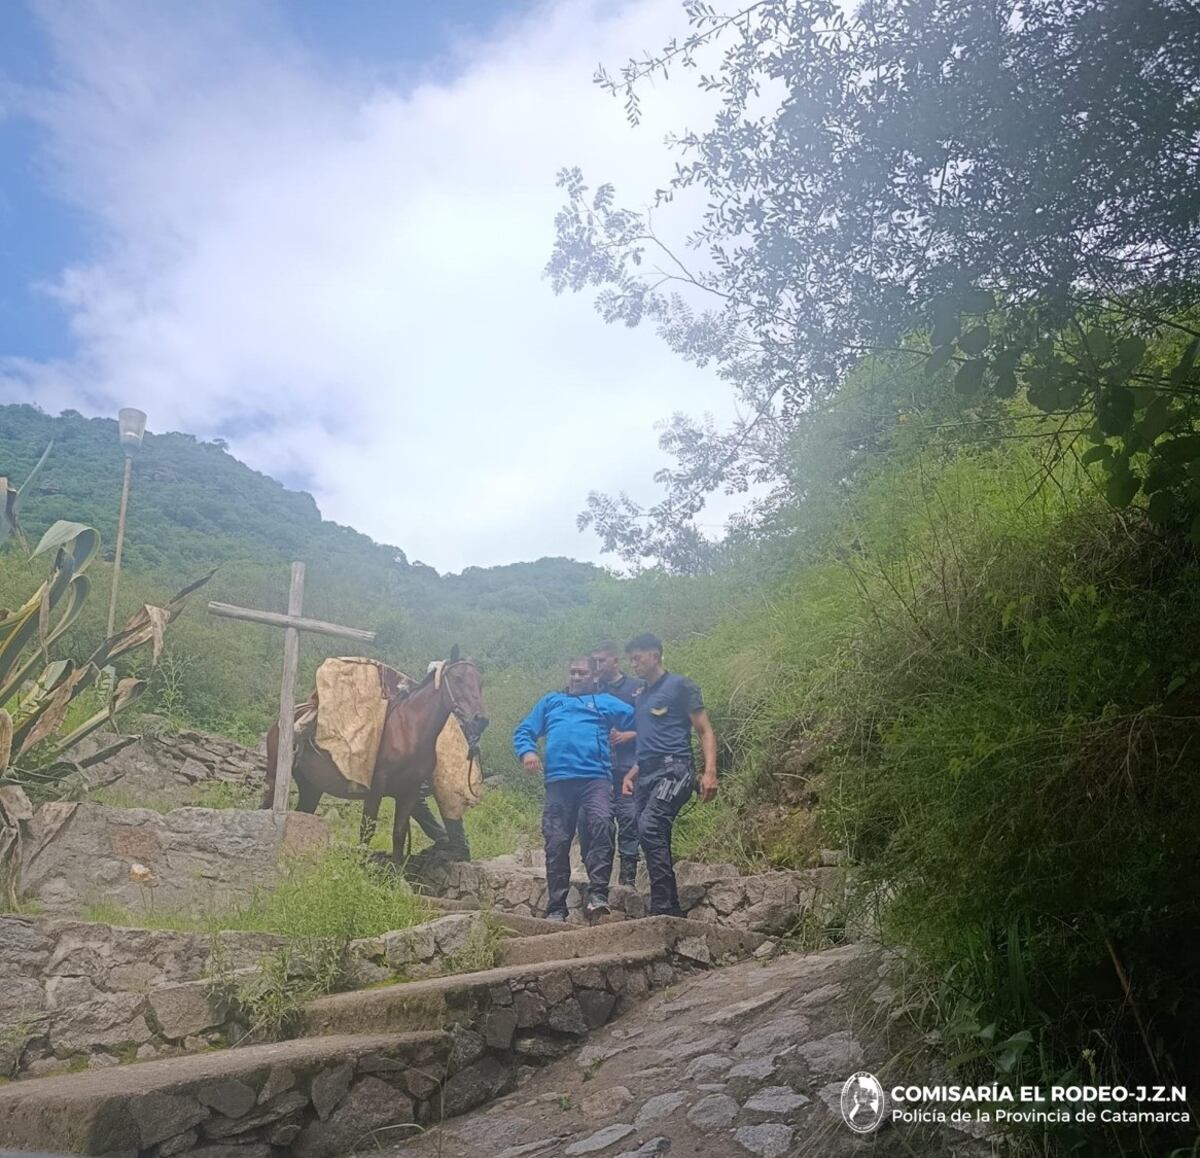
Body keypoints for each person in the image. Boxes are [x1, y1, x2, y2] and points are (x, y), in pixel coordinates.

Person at [513, 656, 635, 921]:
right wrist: (527, 753)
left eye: (582, 673)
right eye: (572, 673)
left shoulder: (604, 702)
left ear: (594, 676)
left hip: (596, 779)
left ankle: (598, 894)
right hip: (558, 782)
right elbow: (524, 730)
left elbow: (640, 720)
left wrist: (630, 735)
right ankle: (557, 907)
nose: (576, 678)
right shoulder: (551, 701)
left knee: (602, 824)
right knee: (556, 841)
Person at [622, 632, 718, 916]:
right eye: (631, 659)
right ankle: (670, 906)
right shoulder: (641, 695)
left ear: (655, 655)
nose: (634, 664)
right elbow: (651, 739)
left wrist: (709, 772)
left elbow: (704, 729)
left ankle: (663, 907)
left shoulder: (680, 686)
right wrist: (633, 772)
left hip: (675, 770)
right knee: (649, 833)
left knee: (650, 825)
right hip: (647, 773)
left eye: (637, 657)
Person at [580, 639, 642, 886]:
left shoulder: (637, 688)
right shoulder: (591, 690)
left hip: (629, 767)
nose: (597, 665)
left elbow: (654, 726)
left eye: (601, 660)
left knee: (629, 819)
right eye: (593, 661)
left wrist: (630, 734)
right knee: (588, 821)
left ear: (615, 660)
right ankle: (594, 877)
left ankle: (627, 882)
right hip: (596, 770)